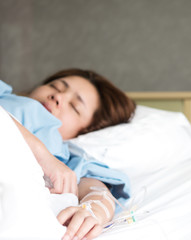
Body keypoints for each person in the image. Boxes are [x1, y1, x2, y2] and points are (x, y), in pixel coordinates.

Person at [0, 68, 136, 240]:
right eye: (54, 87)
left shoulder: (68, 162)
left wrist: (91, 213)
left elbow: (98, 193)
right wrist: (40, 152)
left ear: (87, 130)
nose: (58, 97)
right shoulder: (4, 95)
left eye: (74, 107)